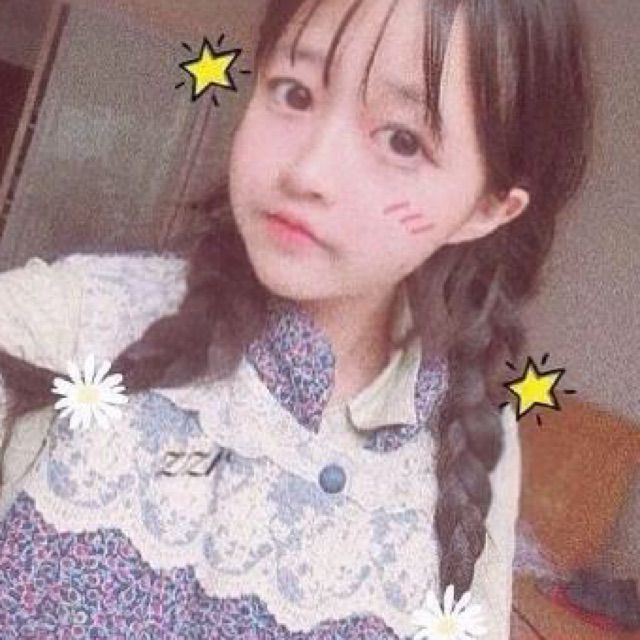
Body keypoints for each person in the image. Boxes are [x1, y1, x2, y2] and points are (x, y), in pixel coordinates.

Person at [0, 0, 592, 637]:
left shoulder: (470, 431)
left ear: (486, 209)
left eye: (402, 141)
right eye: (295, 93)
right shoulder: (70, 320)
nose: (307, 172)